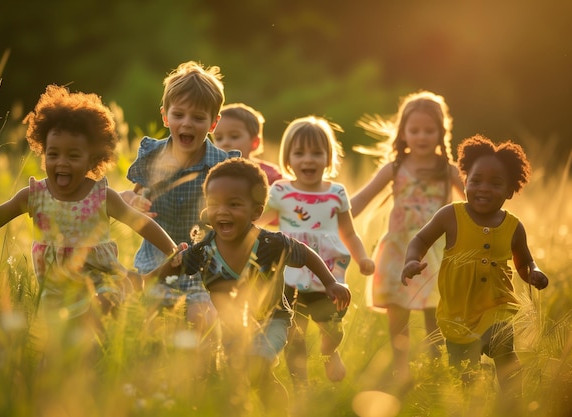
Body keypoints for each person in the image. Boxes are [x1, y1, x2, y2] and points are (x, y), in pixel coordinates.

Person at [0, 84, 179, 325]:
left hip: (102, 280)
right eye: (53, 154)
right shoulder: (35, 196)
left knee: (99, 309)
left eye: (74, 156)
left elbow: (139, 222)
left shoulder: (101, 196)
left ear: (93, 158)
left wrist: (171, 249)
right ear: (43, 151)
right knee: (63, 339)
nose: (62, 163)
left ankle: (129, 290)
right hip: (56, 291)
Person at [152, 157, 351, 416]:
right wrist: (148, 279)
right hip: (233, 327)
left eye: (234, 204)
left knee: (257, 362)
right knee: (253, 379)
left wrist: (330, 282)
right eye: (214, 204)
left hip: (273, 320)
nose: (222, 211)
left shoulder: (270, 244)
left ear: (256, 212)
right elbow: (176, 265)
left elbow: (305, 253)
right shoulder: (205, 251)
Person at [401, 134, 548, 412]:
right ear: (465, 180)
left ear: (510, 191)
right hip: (458, 313)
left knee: (506, 355)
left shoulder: (513, 227)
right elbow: (420, 240)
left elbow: (525, 262)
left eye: (495, 183)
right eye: (476, 180)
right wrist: (411, 260)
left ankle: (512, 406)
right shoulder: (450, 216)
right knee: (463, 374)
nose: (484, 188)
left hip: (497, 306)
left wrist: (535, 273)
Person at [121, 61, 240, 351]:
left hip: (202, 264)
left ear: (213, 123)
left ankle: (205, 375)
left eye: (198, 117)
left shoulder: (222, 166)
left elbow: (237, 212)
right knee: (148, 327)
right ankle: (151, 375)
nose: (187, 123)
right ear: (165, 116)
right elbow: (130, 197)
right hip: (155, 260)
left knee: (204, 323)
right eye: (179, 114)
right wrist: (132, 200)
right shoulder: (152, 155)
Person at [350, 91, 464, 386]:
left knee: (435, 313)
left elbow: (473, 203)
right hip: (398, 250)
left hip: (436, 250)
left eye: (429, 130)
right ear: (402, 132)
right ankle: (402, 369)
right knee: (397, 311)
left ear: (442, 132)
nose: (422, 136)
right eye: (414, 130)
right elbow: (360, 200)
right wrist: (327, 207)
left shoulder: (448, 171)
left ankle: (436, 370)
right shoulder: (395, 168)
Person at [258, 116, 375, 392]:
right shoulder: (281, 191)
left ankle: (329, 351)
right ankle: (301, 385)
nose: (308, 159)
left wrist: (363, 258)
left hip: (328, 275)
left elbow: (349, 232)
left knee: (332, 326)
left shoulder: (336, 193)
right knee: (293, 332)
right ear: (288, 158)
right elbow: (260, 221)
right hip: (289, 274)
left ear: (328, 157)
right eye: (299, 153)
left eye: (316, 153)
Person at [212, 102, 283, 185]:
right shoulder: (210, 173)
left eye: (234, 136)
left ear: (255, 142)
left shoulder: (270, 175)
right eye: (219, 138)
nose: (225, 143)